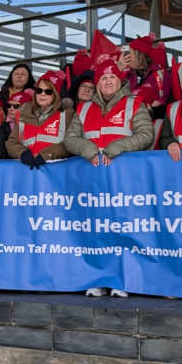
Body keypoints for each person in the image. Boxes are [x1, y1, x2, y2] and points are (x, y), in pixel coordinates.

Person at [65, 58, 154, 298]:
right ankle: (97, 278)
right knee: (95, 230)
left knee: (123, 229)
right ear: (97, 83)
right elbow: (70, 138)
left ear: (119, 80)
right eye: (103, 78)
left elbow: (146, 134)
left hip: (124, 181)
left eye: (112, 77)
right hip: (92, 182)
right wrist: (88, 149)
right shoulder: (83, 108)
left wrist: (118, 147)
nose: (107, 81)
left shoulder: (134, 104)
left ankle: (123, 280)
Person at [6, 70, 74, 166]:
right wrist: (22, 153)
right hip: (28, 173)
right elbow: (11, 143)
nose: (42, 94)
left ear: (56, 94)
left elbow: (71, 143)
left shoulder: (67, 115)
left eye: (48, 91)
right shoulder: (23, 113)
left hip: (54, 174)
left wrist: (46, 155)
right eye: (39, 91)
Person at [126, 35, 172, 120]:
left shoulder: (160, 75)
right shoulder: (128, 75)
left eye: (130, 53)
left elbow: (161, 104)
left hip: (152, 123)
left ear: (140, 56)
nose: (127, 57)